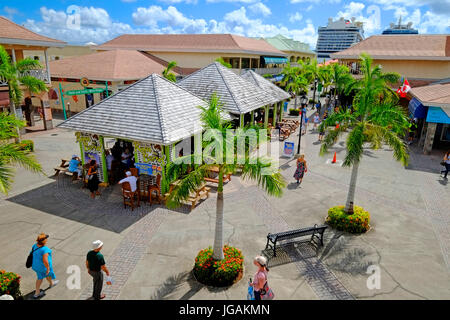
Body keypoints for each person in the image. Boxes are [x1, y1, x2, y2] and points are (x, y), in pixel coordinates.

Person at [30, 233, 59, 299]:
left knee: (45, 275)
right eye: (46, 238)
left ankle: (51, 283)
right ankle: (37, 293)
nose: (47, 239)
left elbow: (31, 253)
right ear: (44, 241)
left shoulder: (35, 246)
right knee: (41, 277)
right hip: (43, 267)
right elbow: (45, 260)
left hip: (36, 265)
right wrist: (48, 268)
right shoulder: (45, 249)